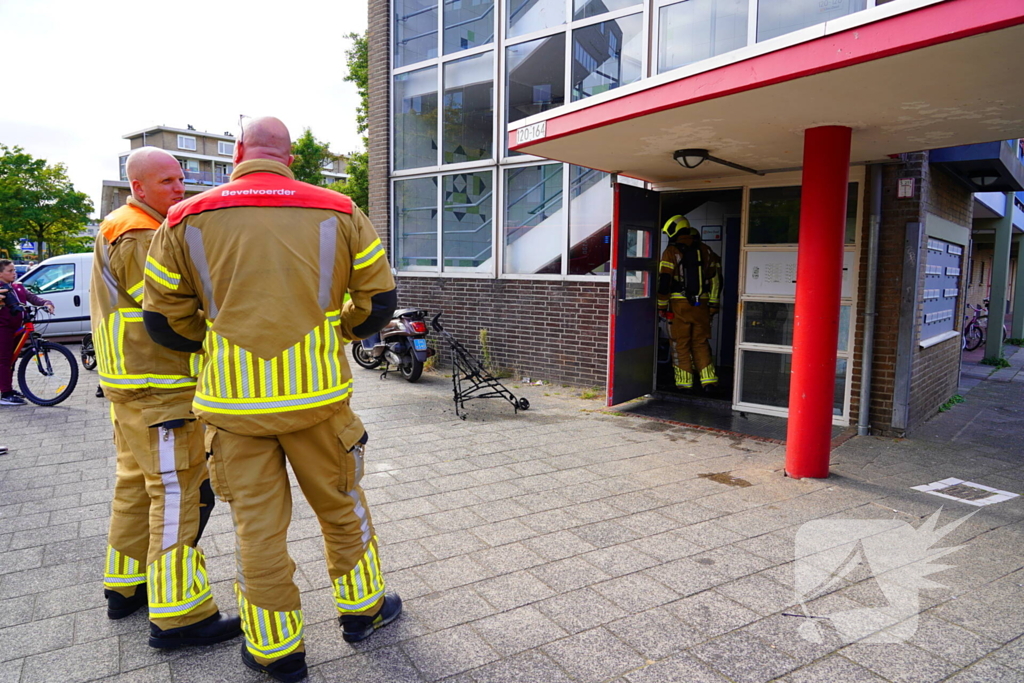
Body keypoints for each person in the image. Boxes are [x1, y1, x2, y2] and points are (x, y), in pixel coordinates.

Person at [143, 116, 400, 683]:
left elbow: (162, 320)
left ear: (238, 152)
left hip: (233, 411)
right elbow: (378, 301)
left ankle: (275, 650)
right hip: (319, 401)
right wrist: (339, 332)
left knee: (257, 530)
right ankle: (364, 613)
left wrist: (214, 341)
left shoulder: (184, 218)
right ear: (289, 157)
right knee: (341, 507)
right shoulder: (338, 208)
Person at [90, 148, 241, 648]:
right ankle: (180, 615)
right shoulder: (138, 234)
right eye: (167, 181)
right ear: (138, 187)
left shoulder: (122, 224)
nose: (180, 188)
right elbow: (171, 308)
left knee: (135, 487)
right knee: (179, 493)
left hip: (132, 387)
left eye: (180, 178)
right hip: (160, 387)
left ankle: (126, 586)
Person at [657, 216, 722, 390]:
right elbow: (716, 278)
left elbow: (664, 281)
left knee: (680, 343)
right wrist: (714, 304)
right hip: (702, 305)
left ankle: (684, 383)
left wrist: (662, 305)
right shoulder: (706, 250)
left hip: (679, 306)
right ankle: (709, 381)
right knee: (700, 342)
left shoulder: (671, 252)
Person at [0, 259, 54, 406]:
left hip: (17, 327)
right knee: (4, 360)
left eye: (14, 270)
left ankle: (6, 388)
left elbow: (33, 298)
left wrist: (46, 303)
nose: (14, 273)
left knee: (11, 360)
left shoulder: (18, 287)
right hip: (3, 328)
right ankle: (5, 394)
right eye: (10, 271)